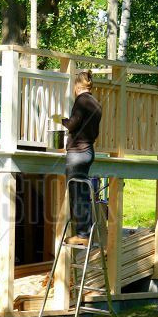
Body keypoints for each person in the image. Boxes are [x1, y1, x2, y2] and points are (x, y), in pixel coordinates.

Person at [60, 70, 102, 246]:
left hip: (77, 152)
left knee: (76, 194)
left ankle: (83, 235)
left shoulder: (81, 101)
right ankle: (87, 231)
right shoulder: (96, 103)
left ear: (77, 86)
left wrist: (62, 120)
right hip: (89, 151)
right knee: (83, 193)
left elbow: (73, 123)